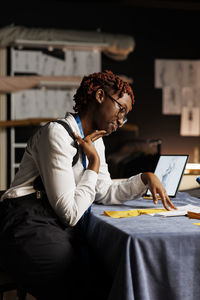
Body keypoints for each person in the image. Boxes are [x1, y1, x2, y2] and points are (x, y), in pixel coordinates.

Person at [0, 70, 176, 299]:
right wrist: (93, 162)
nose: (121, 121)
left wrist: (143, 179)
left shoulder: (96, 141)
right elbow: (70, 214)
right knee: (80, 283)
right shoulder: (57, 134)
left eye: (125, 116)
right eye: (120, 110)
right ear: (100, 96)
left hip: (52, 221)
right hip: (25, 221)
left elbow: (102, 191)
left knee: (109, 275)